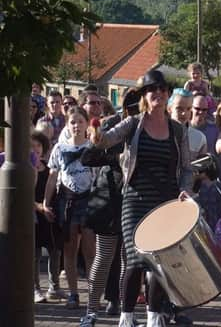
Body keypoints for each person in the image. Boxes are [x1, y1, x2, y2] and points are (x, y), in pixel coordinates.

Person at [89, 70, 193, 327]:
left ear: (167, 95)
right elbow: (106, 141)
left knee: (158, 260)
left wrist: (185, 188)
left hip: (165, 201)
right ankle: (126, 317)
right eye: (151, 90)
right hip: (134, 199)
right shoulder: (133, 124)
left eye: (161, 89)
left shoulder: (178, 130)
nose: (157, 93)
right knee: (136, 259)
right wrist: (97, 135)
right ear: (145, 96)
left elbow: (188, 168)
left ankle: (154, 316)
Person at [78, 89, 140, 326]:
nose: (136, 113)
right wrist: (117, 159)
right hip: (109, 197)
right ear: (126, 108)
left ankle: (126, 312)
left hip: (133, 198)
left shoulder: (149, 126)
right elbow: (87, 158)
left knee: (129, 259)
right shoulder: (113, 124)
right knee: (104, 257)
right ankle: (90, 311)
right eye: (132, 108)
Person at [42, 106, 96, 310]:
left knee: (90, 251)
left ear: (86, 123)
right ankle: (73, 293)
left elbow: (99, 177)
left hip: (88, 201)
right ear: (67, 124)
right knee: (70, 249)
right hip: (67, 201)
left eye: (80, 121)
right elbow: (52, 177)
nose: (76, 125)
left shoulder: (92, 147)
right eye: (72, 121)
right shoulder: (59, 148)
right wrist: (47, 202)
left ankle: (93, 293)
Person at [32, 131, 64, 304]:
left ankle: (55, 287)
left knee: (55, 252)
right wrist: (40, 208)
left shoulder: (48, 168)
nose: (35, 149)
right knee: (34, 255)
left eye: (38, 145)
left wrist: (50, 209)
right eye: (31, 146)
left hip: (50, 218)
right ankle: (35, 289)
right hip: (34, 218)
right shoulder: (26, 168)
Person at [168, 88, 208, 161]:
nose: (184, 113)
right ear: (169, 109)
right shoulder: (160, 134)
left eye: (188, 109)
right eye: (179, 109)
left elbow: (201, 169)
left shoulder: (199, 138)